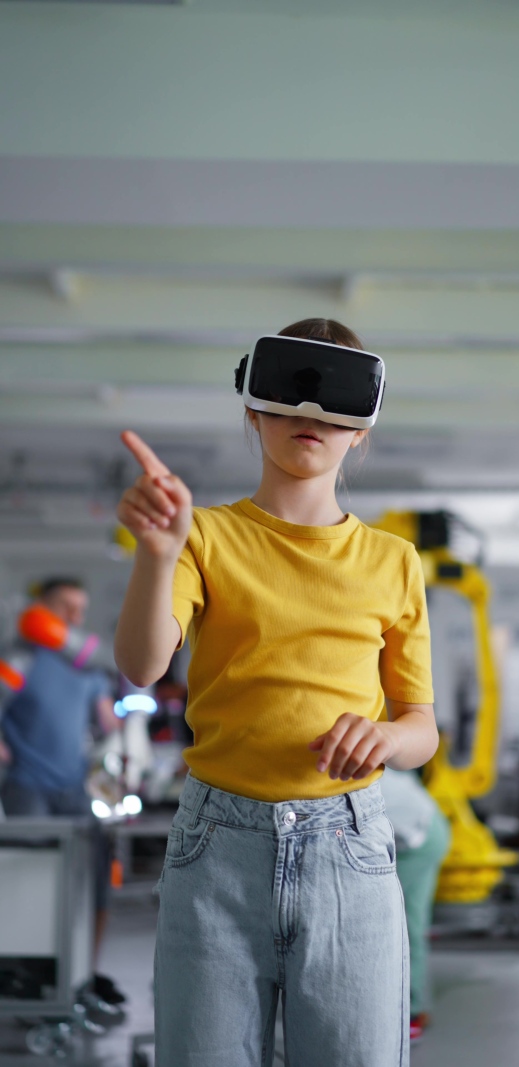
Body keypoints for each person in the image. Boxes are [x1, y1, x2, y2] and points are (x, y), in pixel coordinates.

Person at [114, 318, 439, 1067]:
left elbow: (422, 725)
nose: (312, 416)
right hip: (216, 851)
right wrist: (158, 555)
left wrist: (388, 737)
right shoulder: (205, 536)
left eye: (337, 400)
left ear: (362, 429)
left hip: (349, 850)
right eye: (292, 394)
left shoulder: (394, 560)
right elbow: (141, 663)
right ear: (253, 407)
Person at [0, 577, 125, 1005]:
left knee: (93, 877)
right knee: (31, 880)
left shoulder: (85, 666)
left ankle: (84, 975)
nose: (74, 617)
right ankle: (28, 971)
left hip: (74, 787)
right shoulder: (21, 658)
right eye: (65, 606)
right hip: (27, 785)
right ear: (43, 607)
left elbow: (108, 721)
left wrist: (122, 741)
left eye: (80, 608)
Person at [380, 768, 451, 1043]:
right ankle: (416, 1010)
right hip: (431, 826)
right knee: (411, 924)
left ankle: (408, 1013)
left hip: (421, 839)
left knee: (386, 920)